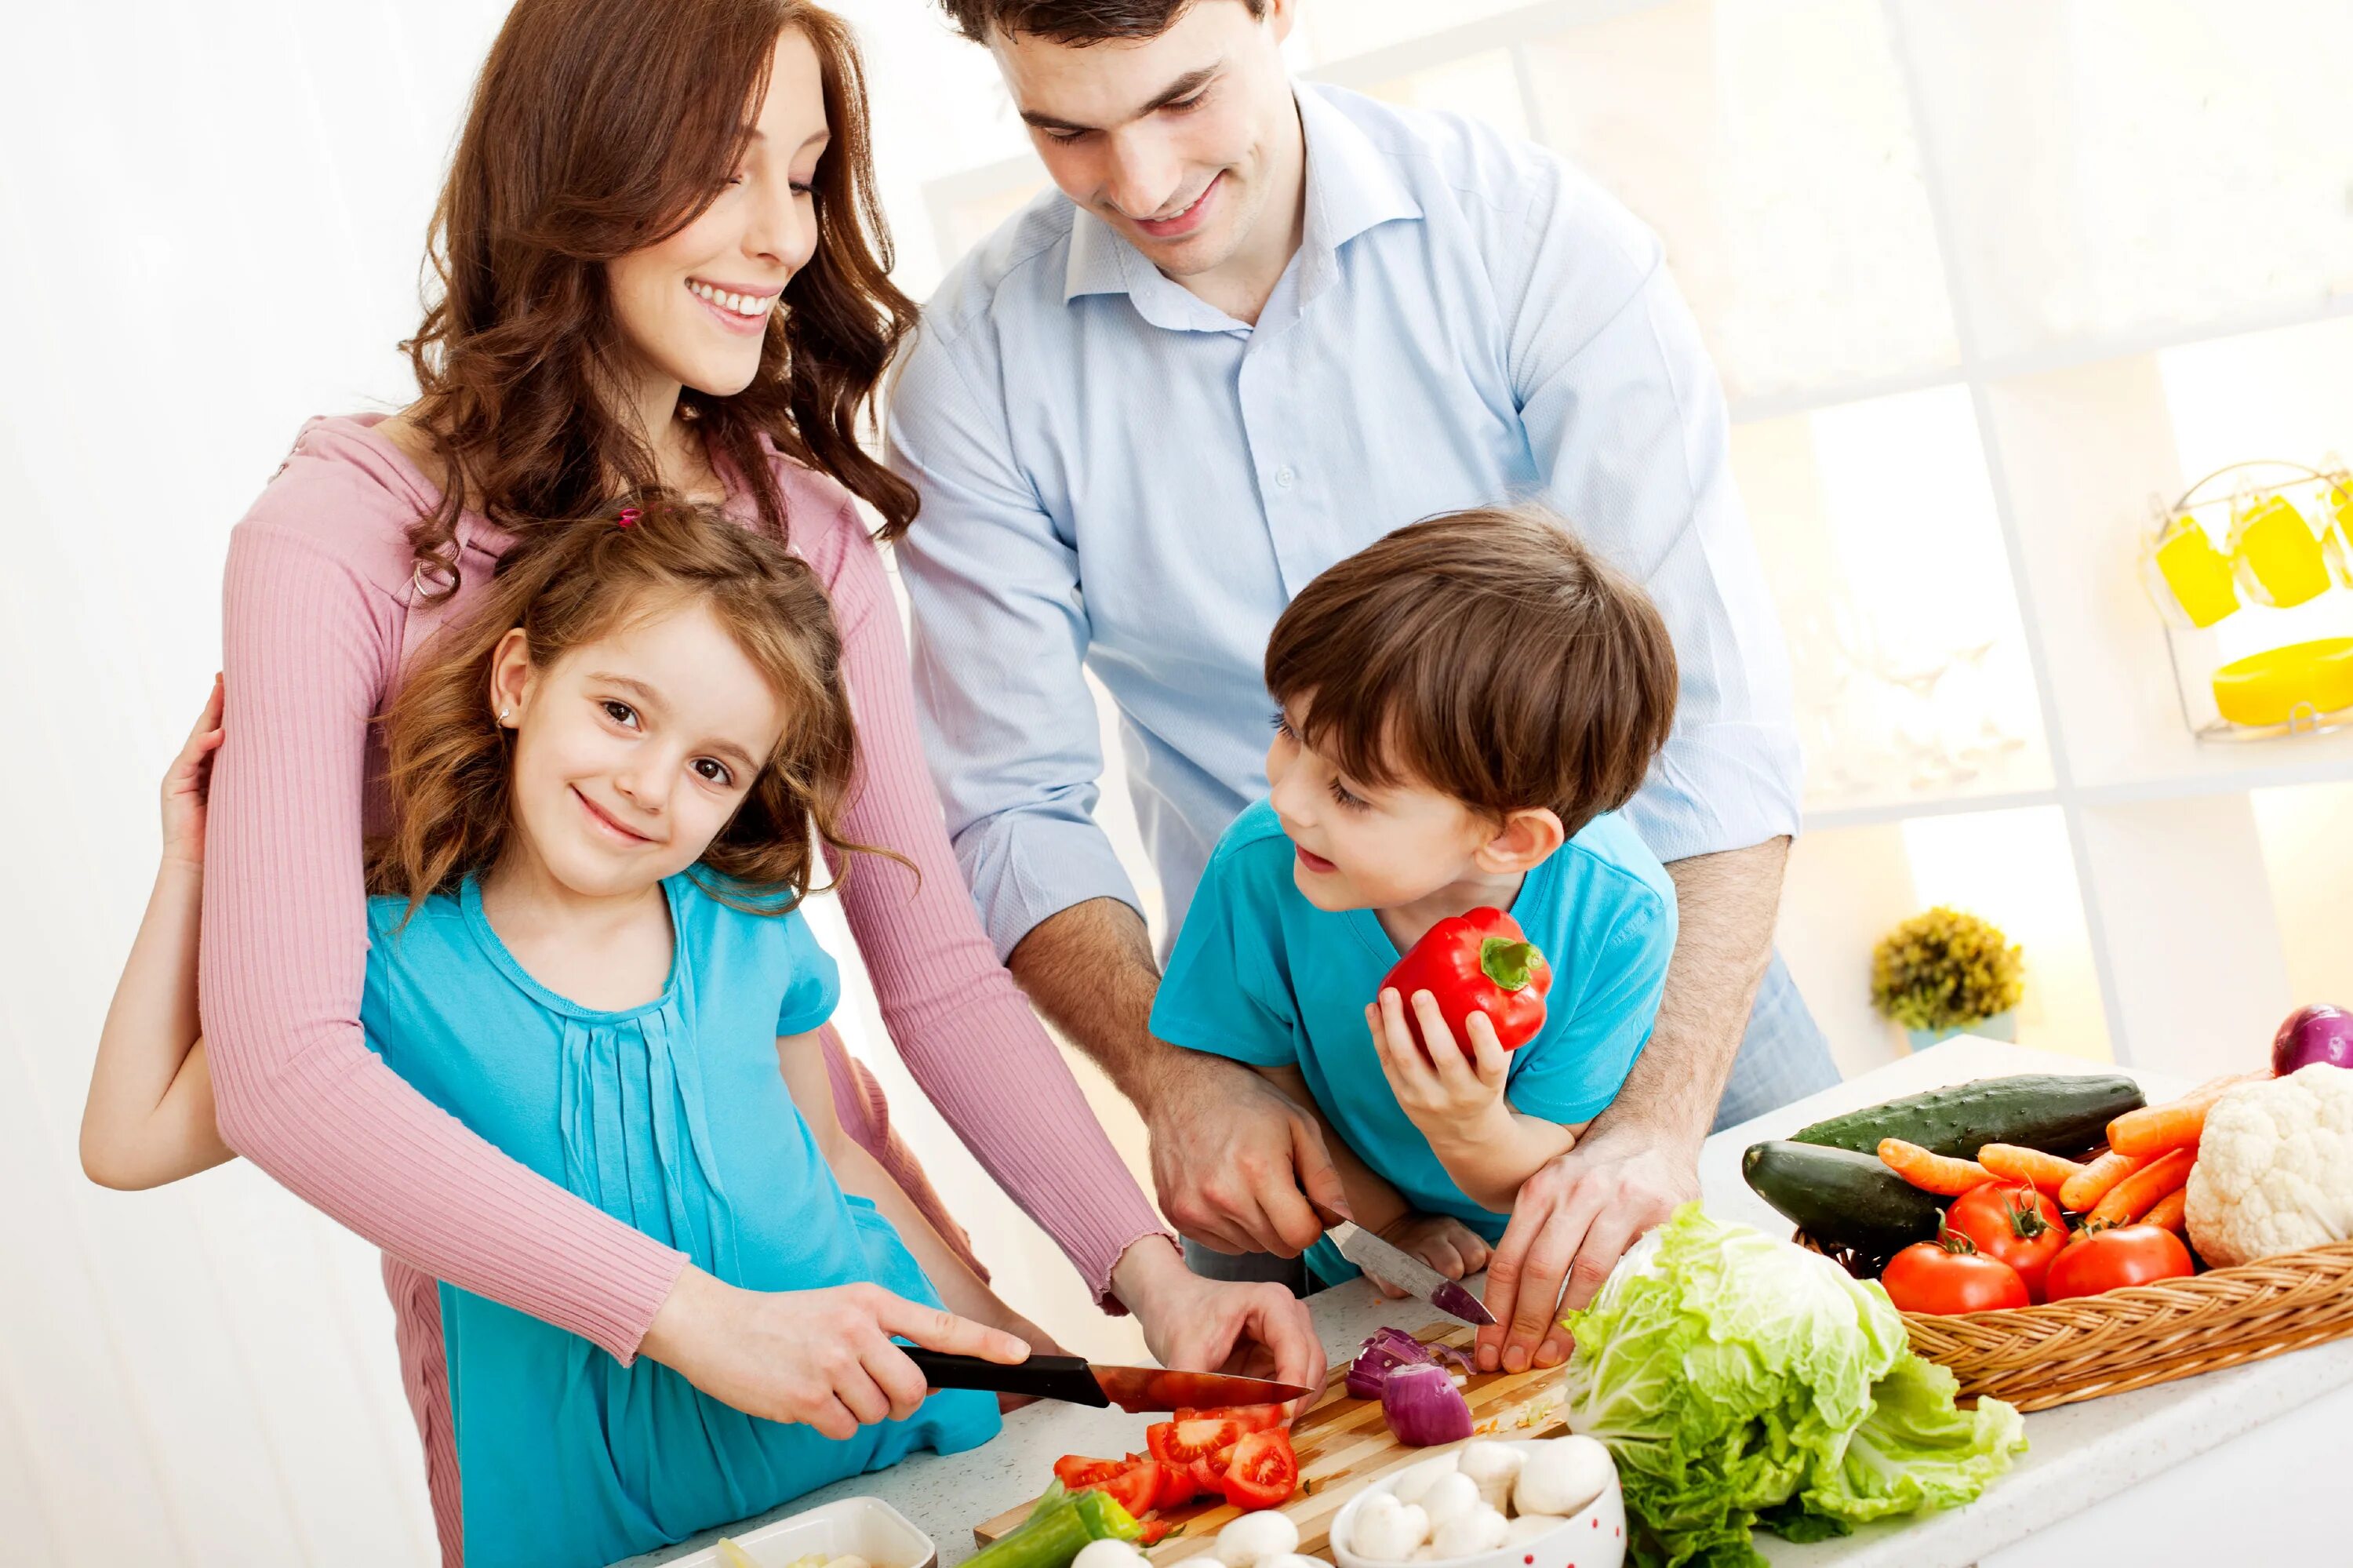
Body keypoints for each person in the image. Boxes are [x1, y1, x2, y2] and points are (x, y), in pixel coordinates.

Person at [190, 2, 1317, 1558]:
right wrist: (687, 1318)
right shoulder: (335, 543)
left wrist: (1143, 1261)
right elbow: (282, 1070)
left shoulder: (806, 533)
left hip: (841, 1271)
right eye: (729, 172)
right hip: (559, 1374)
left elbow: (932, 974)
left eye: (805, 176)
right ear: (579, 164)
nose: (783, 235)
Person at [891, 0, 1842, 1374]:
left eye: (1183, 99)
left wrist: (1655, 1115)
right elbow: (1012, 806)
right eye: (1067, 129)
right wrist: (1181, 1072)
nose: (1143, 185)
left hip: (1644, 963)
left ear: (1276, 10)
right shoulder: (976, 366)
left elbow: (1716, 726)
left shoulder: (1530, 239)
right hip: (1265, 1044)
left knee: (1835, 1362)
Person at [89, 500, 1037, 1566]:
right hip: (612, 1537)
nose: (648, 785)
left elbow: (834, 1160)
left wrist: (1034, 1360)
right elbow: (128, 1140)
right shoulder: (383, 961)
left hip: (901, 1459)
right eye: (623, 710)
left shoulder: (749, 919)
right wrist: (195, 859)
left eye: (712, 767)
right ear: (517, 681)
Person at [1151, 509, 1680, 1294]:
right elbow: (1271, 1088)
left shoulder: (1619, 916)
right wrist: (1387, 1225)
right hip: (1347, 1244)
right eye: (1289, 730)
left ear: (1509, 840)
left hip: (1540, 1265)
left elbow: (1553, 1161)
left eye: (1351, 792)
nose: (1287, 798)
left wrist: (1469, 1126)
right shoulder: (1260, 865)